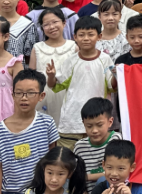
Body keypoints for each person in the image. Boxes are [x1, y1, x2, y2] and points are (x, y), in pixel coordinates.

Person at [46, 16, 115, 150]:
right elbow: (54, 85)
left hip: (97, 120)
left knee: (94, 158)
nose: (86, 38)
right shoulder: (71, 61)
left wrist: (117, 75)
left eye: (90, 34)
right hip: (71, 121)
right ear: (75, 37)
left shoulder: (105, 59)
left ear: (99, 36)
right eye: (81, 35)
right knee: (67, 158)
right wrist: (51, 76)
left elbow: (111, 86)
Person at [29, 7, 78, 126]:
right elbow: (31, 76)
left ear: (64, 23)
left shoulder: (73, 47)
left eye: (55, 22)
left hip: (68, 95)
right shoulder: (37, 48)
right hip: (43, 96)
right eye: (46, 24)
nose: (51, 27)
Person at [73, 98, 118, 187]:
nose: (94, 130)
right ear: (84, 124)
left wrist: (85, 177)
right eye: (89, 126)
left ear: (110, 122)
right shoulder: (79, 147)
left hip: (111, 191)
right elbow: (76, 175)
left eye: (99, 125)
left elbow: (116, 172)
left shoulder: (116, 140)